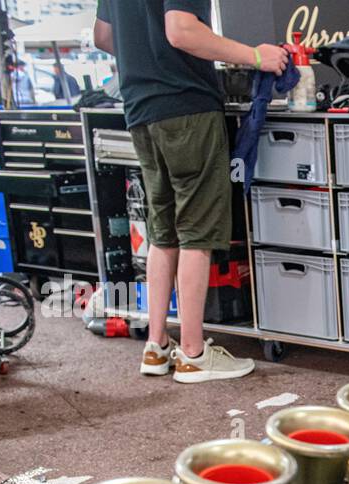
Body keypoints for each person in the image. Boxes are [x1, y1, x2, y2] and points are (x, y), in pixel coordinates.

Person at [92, 1, 286, 383]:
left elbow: (103, 37)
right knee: (196, 230)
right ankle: (194, 353)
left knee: (163, 231)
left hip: (140, 110)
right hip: (186, 106)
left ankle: (156, 345)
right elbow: (181, 30)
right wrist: (256, 56)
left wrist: (149, 59)